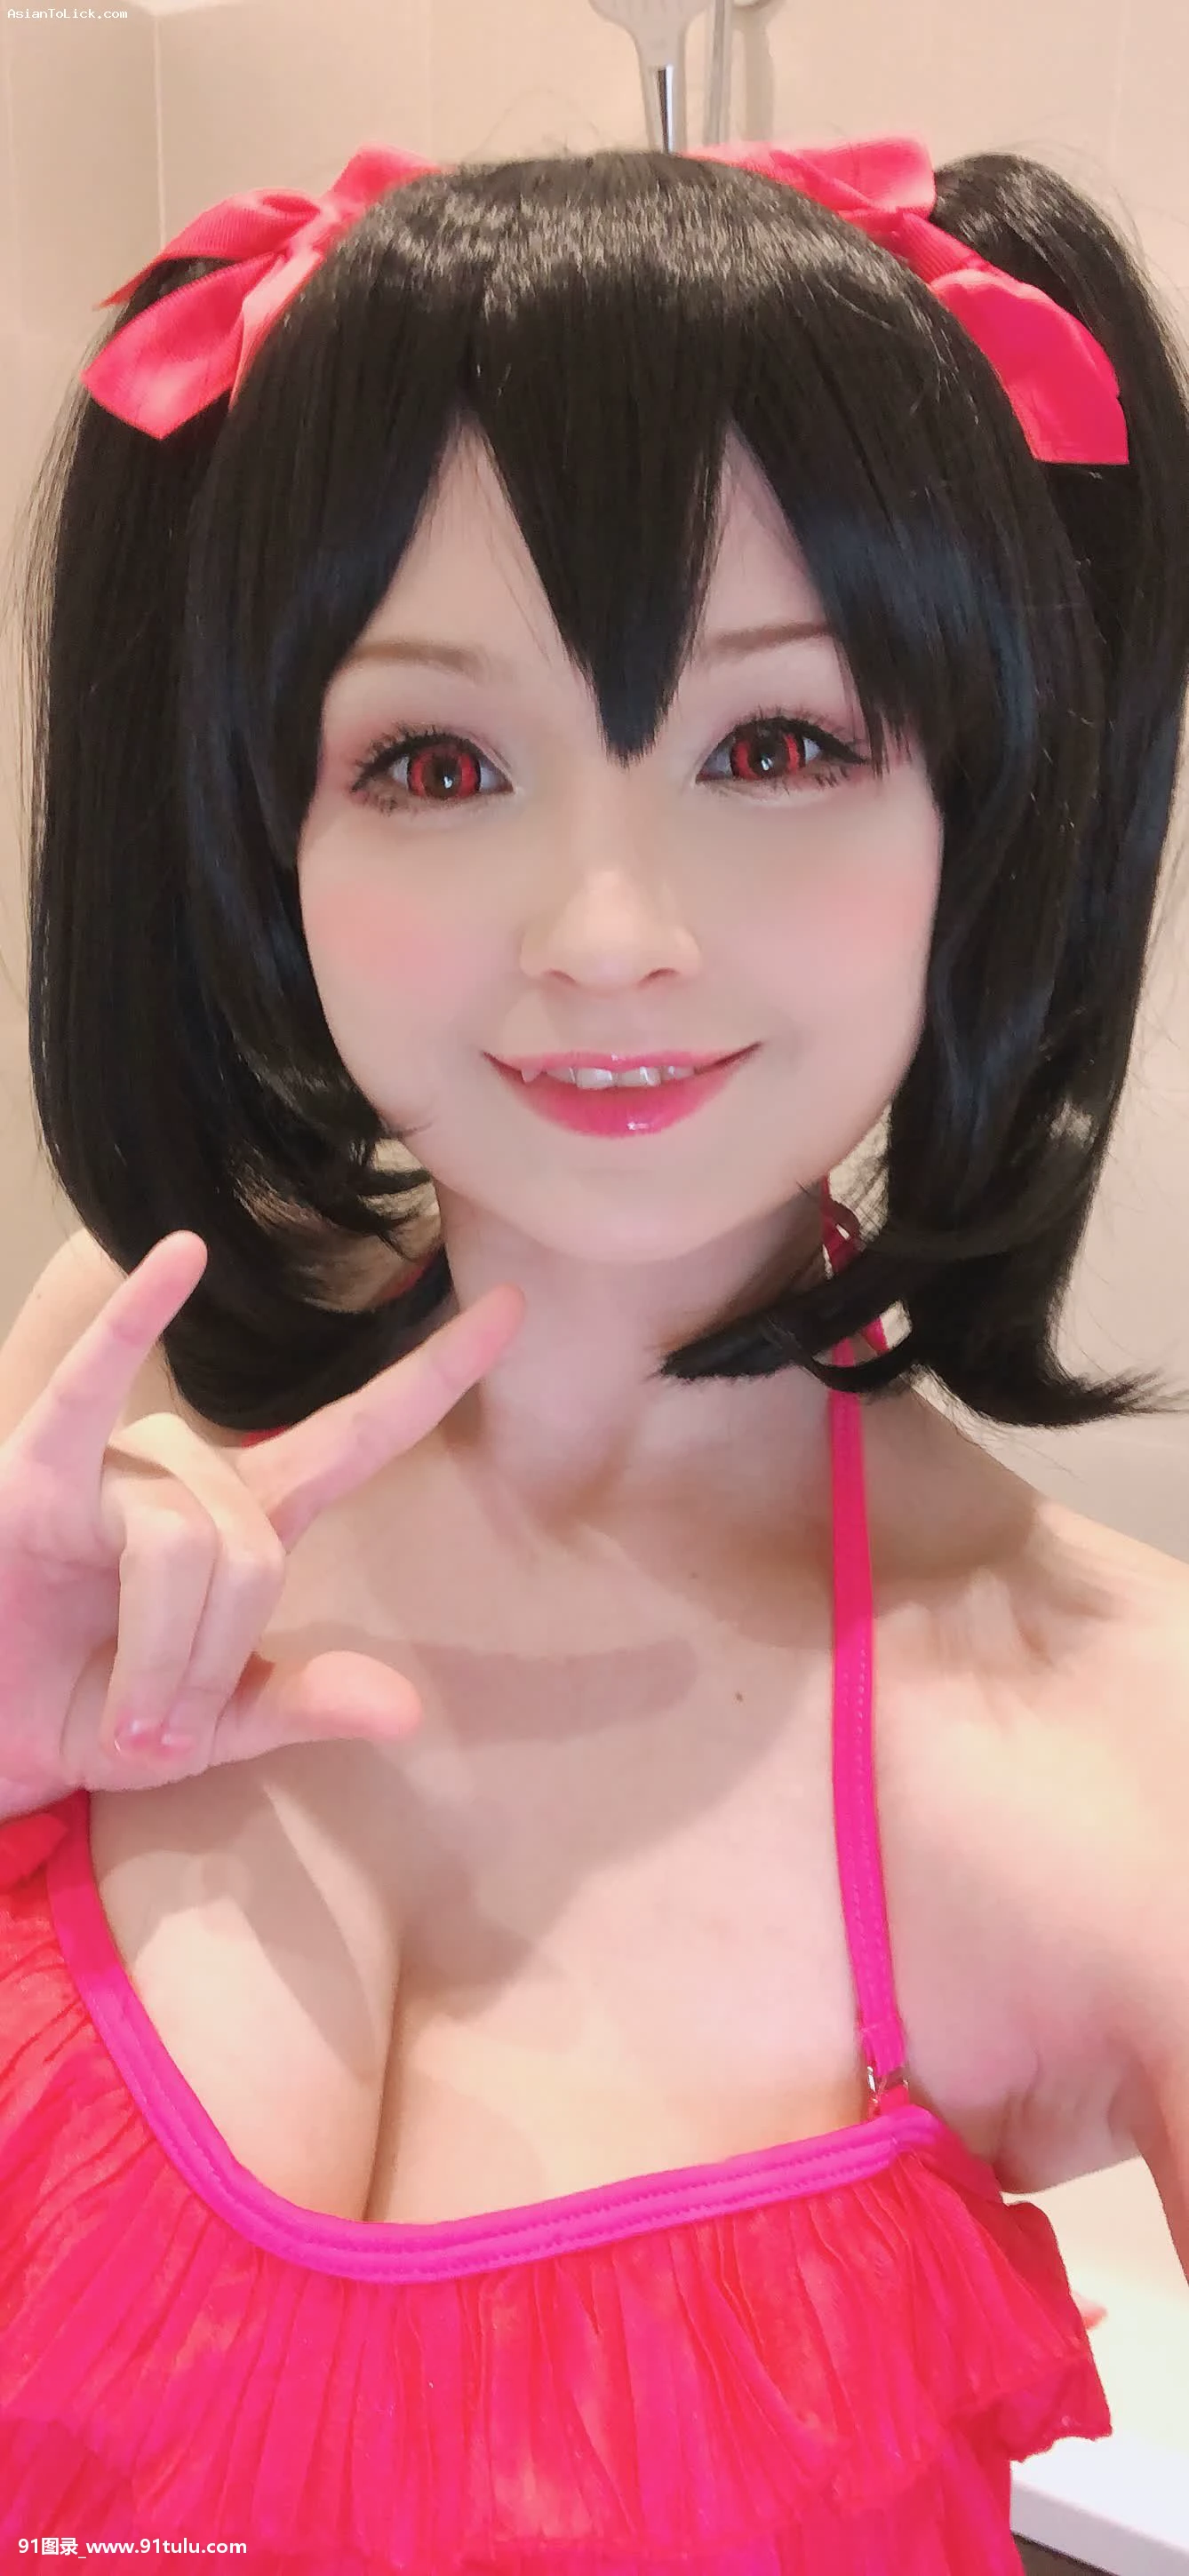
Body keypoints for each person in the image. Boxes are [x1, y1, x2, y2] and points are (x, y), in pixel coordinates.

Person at [2, 131, 1188, 2568]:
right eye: (435, 762)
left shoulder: (1111, 1751)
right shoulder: (108, 1402)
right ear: (272, 830)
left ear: (979, 808)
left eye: (777, 743)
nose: (610, 928)